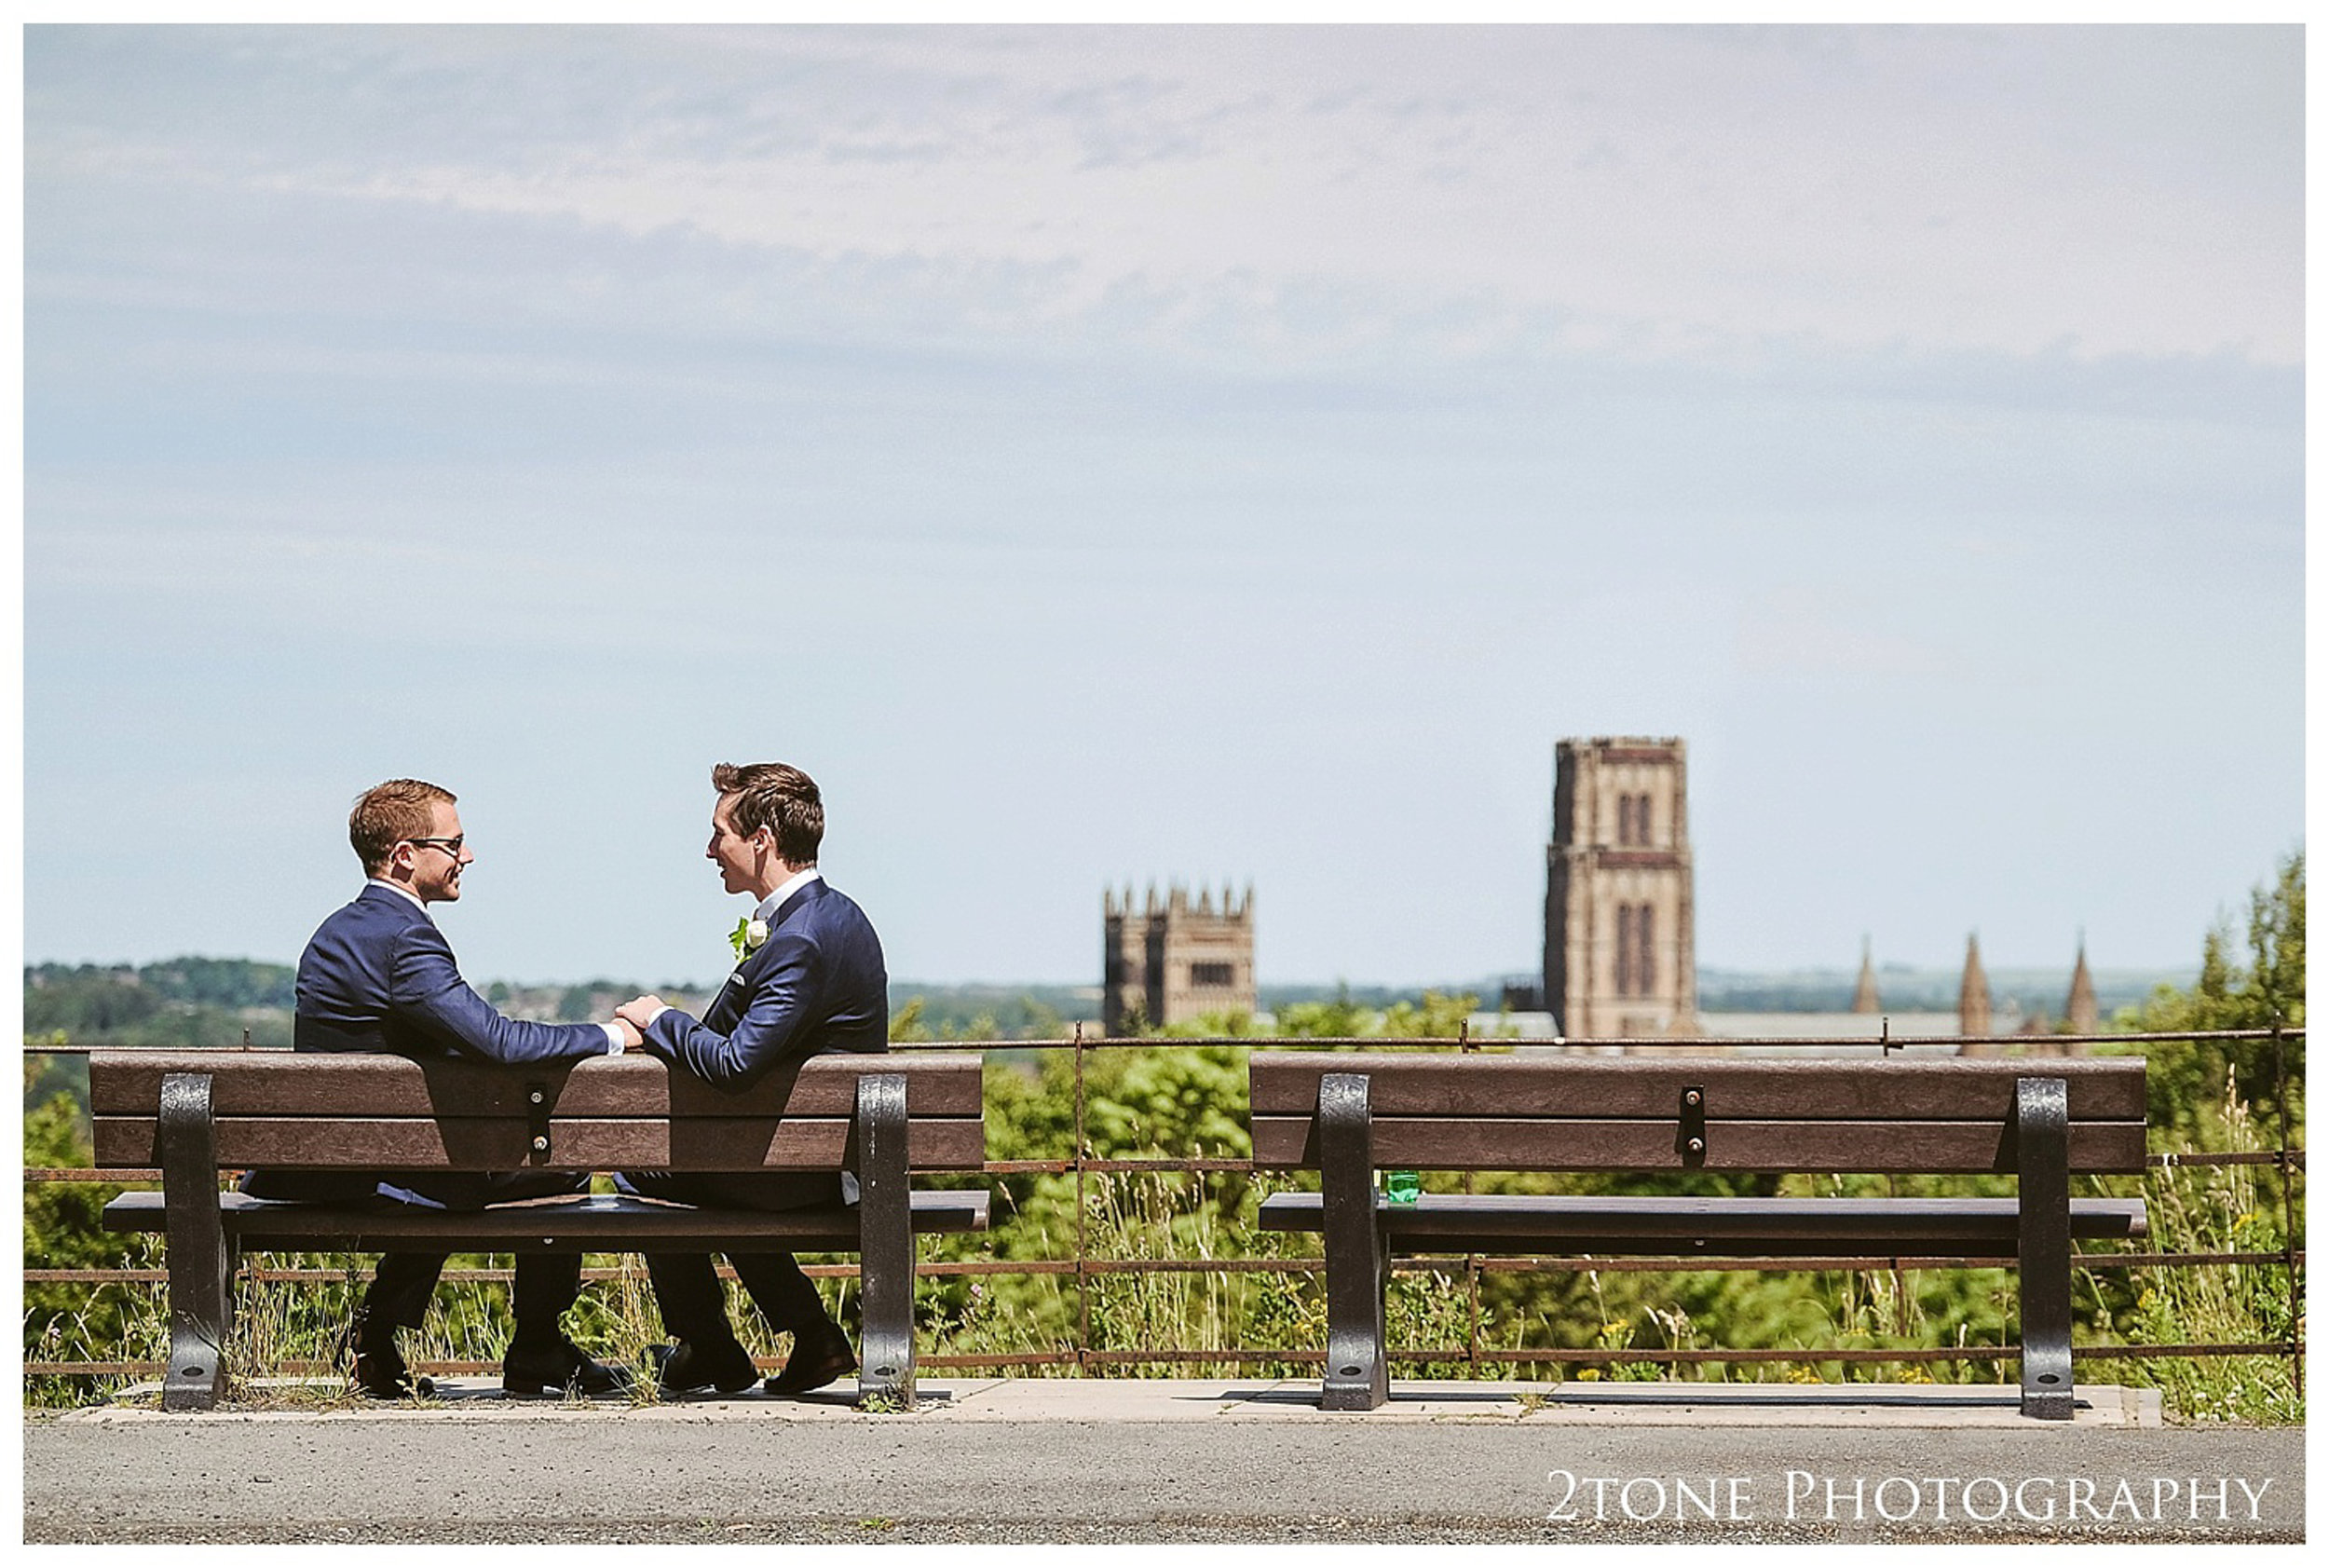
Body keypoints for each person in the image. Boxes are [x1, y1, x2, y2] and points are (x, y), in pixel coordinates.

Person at [241, 779, 638, 1399]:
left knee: (442, 1164)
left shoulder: (335, 933)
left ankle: (378, 1339)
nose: (467, 856)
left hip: (323, 1166)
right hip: (384, 1175)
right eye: (453, 843)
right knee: (563, 1167)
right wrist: (612, 1035)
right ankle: (536, 1345)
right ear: (404, 855)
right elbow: (500, 1041)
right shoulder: (407, 939)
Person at [614, 761, 888, 1397]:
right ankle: (806, 1334)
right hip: (821, 1155)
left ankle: (711, 1346)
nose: (710, 848)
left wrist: (660, 1019)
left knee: (639, 1172)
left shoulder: (801, 940)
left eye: (720, 833)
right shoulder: (838, 917)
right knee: (700, 1175)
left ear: (761, 838)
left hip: (801, 1171)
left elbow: (736, 1063)